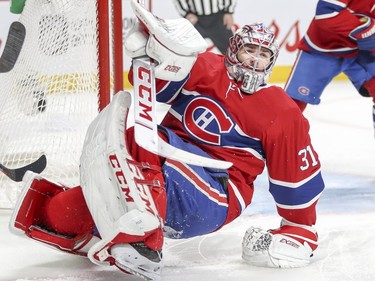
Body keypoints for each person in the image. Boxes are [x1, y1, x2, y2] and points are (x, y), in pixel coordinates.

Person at [9, 4, 325, 281]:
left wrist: (299, 228)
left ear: (271, 61)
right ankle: (73, 220)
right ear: (233, 49)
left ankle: (145, 241)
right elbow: (153, 88)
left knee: (148, 146)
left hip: (216, 192)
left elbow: (295, 176)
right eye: (249, 50)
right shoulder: (205, 67)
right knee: (67, 206)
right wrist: (147, 57)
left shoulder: (281, 111)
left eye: (263, 54)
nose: (254, 60)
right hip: (165, 162)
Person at [284, 0, 375, 133]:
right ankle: (270, 147)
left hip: (362, 51)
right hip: (323, 49)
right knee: (292, 108)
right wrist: (366, 31)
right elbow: (326, 12)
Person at [173, 0, 237, 54]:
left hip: (218, 17)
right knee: (186, 52)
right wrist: (186, 13)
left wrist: (228, 11)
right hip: (195, 19)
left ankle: (236, 68)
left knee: (232, 51)